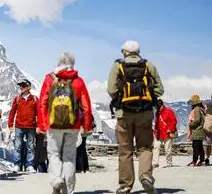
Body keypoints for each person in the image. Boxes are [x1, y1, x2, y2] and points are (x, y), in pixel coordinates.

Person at [107, 41, 164, 194]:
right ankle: (145, 176)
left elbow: (111, 90)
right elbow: (160, 90)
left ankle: (125, 186)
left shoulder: (117, 66)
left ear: (124, 52)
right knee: (145, 147)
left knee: (125, 150)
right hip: (145, 113)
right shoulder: (148, 66)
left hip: (123, 114)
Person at [38, 52, 93, 194]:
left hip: (53, 125)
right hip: (73, 125)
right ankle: (69, 190)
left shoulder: (50, 79)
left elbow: (42, 103)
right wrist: (86, 126)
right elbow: (86, 106)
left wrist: (43, 125)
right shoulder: (78, 81)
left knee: (54, 154)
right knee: (69, 157)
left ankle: (56, 179)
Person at [8, 79, 38, 173]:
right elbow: (12, 112)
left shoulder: (35, 99)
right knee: (17, 146)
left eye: (23, 85)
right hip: (19, 126)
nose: (21, 87)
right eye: (20, 85)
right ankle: (17, 165)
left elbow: (39, 114)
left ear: (29, 87)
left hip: (31, 126)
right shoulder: (17, 99)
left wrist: (39, 126)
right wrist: (10, 125)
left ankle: (29, 165)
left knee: (30, 147)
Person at [152, 99, 177, 168]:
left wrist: (170, 129)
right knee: (156, 148)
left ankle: (169, 163)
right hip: (158, 133)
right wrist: (155, 131)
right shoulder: (157, 113)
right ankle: (155, 163)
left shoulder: (169, 111)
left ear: (162, 105)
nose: (158, 109)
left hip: (167, 133)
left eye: (158, 107)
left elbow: (174, 121)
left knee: (168, 149)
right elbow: (156, 123)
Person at [187, 95, 206, 167]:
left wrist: (191, 124)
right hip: (200, 130)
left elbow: (197, 120)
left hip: (197, 131)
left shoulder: (197, 109)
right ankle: (202, 160)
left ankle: (194, 161)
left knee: (195, 147)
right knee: (200, 147)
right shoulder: (201, 109)